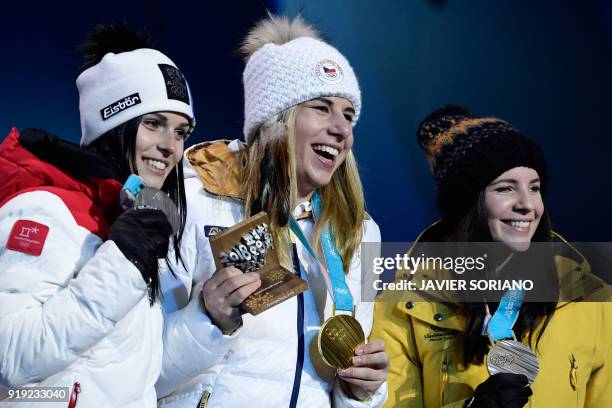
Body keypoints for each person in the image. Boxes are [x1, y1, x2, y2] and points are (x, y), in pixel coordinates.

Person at [157, 15, 388, 408]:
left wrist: (361, 392)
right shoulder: (191, 199)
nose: (342, 129)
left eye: (349, 116)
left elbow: (336, 379)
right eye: (322, 108)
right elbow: (141, 371)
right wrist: (207, 319)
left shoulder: (360, 233)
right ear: (276, 118)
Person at [0, 25, 195, 407]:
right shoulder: (47, 209)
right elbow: (12, 358)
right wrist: (124, 263)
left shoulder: (124, 216)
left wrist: (213, 323)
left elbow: (125, 377)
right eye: (153, 123)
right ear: (114, 123)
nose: (170, 146)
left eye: (181, 131)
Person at [370, 105, 612, 407]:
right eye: (506, 188)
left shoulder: (592, 300)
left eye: (534, 188)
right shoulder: (403, 308)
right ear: (467, 204)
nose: (527, 204)